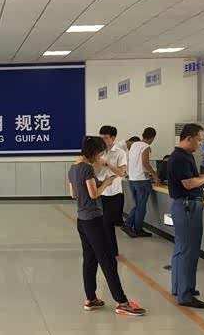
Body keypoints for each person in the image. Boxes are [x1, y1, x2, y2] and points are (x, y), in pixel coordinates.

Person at [68, 136, 147, 316]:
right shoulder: (86, 168)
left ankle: (91, 298)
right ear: (94, 152)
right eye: (99, 153)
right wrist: (107, 182)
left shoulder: (73, 168)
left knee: (89, 259)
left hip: (82, 220)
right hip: (94, 220)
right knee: (108, 260)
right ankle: (122, 302)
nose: (100, 157)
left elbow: (72, 194)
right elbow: (94, 194)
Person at [168, 124, 204, 308]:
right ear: (189, 138)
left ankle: (179, 287)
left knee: (181, 249)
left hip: (183, 206)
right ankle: (186, 294)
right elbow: (189, 183)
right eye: (199, 140)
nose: (201, 144)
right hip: (188, 207)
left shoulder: (182, 155)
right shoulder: (180, 158)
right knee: (189, 251)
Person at [97, 126, 128, 257]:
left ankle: (112, 251)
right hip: (99, 191)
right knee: (100, 223)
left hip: (113, 193)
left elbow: (121, 172)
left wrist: (108, 164)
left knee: (108, 223)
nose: (103, 141)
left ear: (113, 138)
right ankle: (104, 249)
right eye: (101, 138)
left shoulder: (120, 153)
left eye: (105, 138)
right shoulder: (98, 152)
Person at [123, 127, 159, 238]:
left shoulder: (134, 145)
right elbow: (145, 163)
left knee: (137, 205)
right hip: (142, 181)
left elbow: (132, 161)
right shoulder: (146, 147)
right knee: (141, 207)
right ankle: (137, 229)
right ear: (152, 137)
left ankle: (128, 224)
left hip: (132, 179)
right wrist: (155, 176)